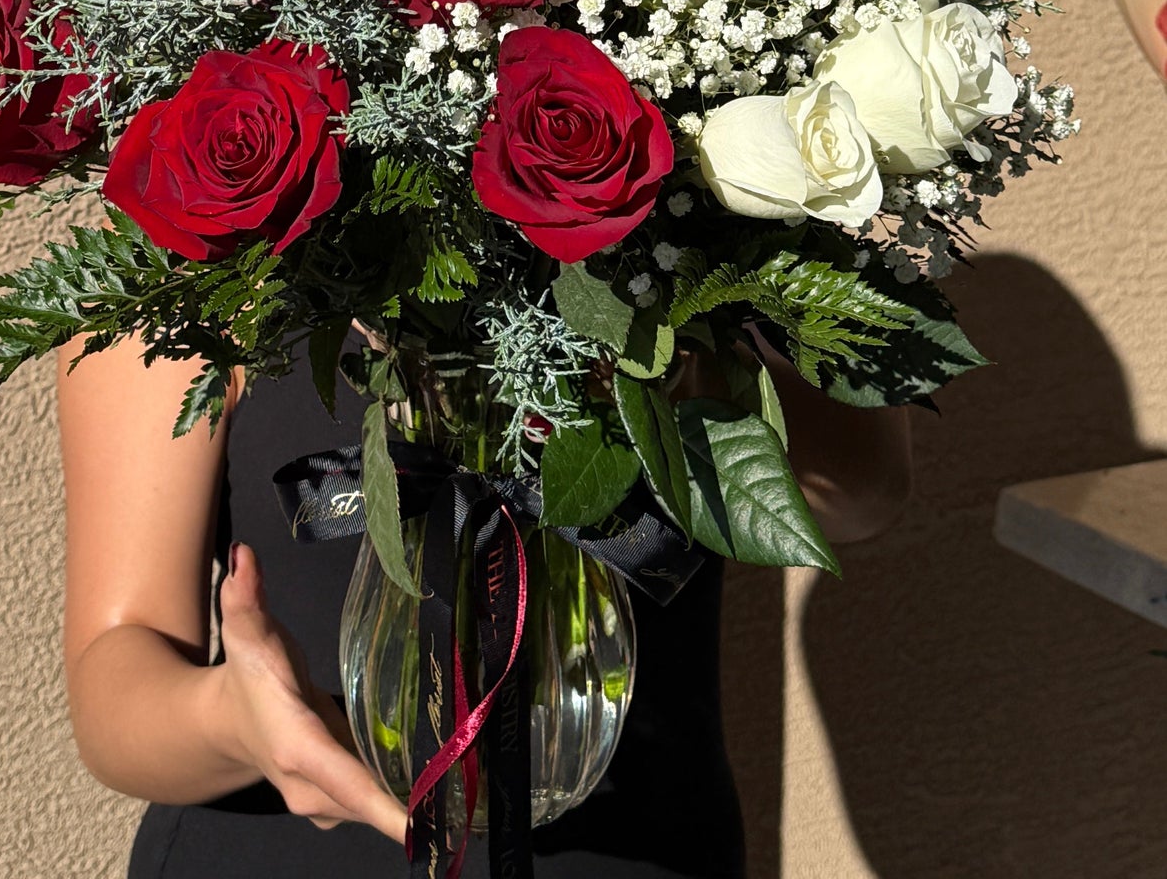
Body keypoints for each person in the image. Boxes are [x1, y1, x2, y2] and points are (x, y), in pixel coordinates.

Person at [59, 329, 912, 878]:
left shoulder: (708, 174)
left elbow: (864, 492)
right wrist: (237, 720)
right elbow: (114, 677)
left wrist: (678, 329)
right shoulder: (205, 196)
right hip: (290, 852)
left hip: (629, 847)